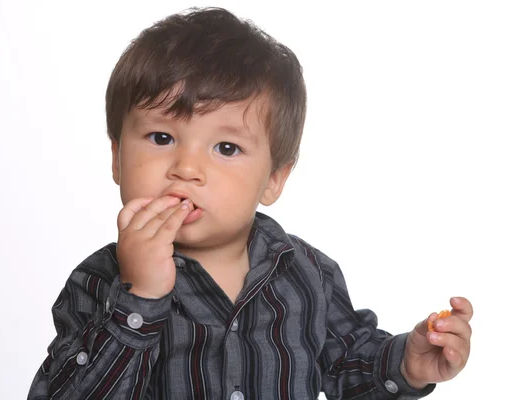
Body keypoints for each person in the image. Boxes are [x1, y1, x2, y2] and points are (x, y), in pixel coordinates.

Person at [28, 7, 473, 399]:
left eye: (226, 148)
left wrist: (407, 365)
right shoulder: (99, 283)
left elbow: (345, 368)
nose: (186, 168)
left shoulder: (307, 272)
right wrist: (140, 298)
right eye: (161, 138)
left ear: (274, 180)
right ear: (117, 159)